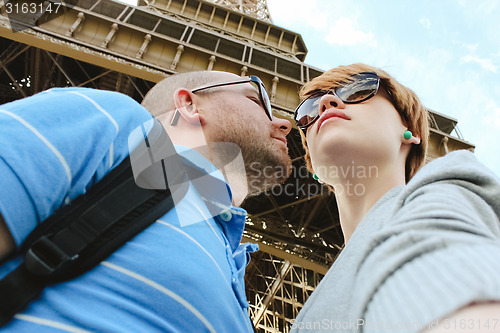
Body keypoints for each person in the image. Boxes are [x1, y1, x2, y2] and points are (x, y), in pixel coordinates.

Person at [0, 70, 292, 332]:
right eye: (256, 100)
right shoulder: (121, 127)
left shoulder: (229, 260)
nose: (285, 122)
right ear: (189, 105)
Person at [291, 63, 500, 332]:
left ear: (409, 131)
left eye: (359, 90)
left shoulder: (446, 187)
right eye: (308, 110)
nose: (327, 103)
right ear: (313, 168)